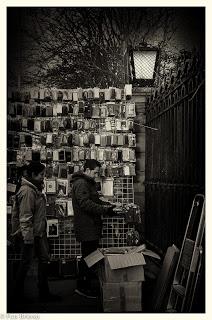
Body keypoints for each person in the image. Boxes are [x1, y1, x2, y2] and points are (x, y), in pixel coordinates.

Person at [11, 161, 59, 302]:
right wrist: (27, 238)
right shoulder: (27, 191)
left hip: (39, 233)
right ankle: (16, 295)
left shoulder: (36, 188)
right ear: (33, 174)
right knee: (25, 264)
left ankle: (44, 293)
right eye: (42, 175)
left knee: (44, 260)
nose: (44, 177)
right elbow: (25, 217)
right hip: (30, 235)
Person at [72, 159, 116, 298]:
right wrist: (105, 210)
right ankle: (83, 287)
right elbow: (85, 204)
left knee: (91, 256)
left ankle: (86, 284)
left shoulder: (88, 183)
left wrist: (108, 205)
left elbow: (95, 201)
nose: (97, 175)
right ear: (87, 170)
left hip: (91, 226)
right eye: (96, 172)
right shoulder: (81, 183)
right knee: (88, 257)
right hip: (87, 226)